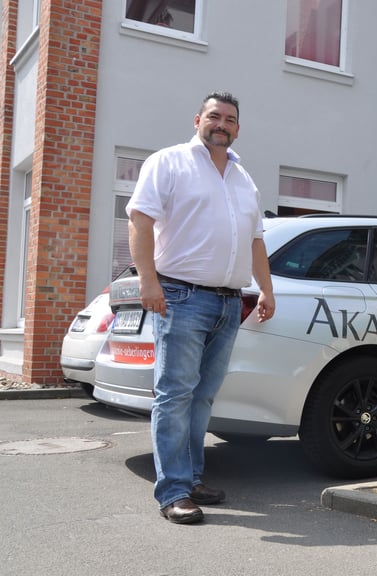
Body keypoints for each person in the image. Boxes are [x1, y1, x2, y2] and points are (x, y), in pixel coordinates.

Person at [127, 91, 275, 524]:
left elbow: (255, 241)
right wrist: (148, 281)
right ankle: (172, 491)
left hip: (229, 302)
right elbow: (139, 220)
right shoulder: (168, 162)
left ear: (237, 128)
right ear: (197, 120)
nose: (221, 124)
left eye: (229, 119)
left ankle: (190, 479)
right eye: (214, 116)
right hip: (181, 297)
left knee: (202, 397)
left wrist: (265, 290)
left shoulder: (244, 178)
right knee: (174, 395)